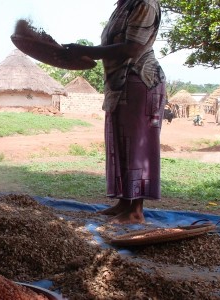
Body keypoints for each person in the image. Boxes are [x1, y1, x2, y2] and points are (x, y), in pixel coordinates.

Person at [59, 0, 164, 224]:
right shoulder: (124, 6)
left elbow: (133, 47)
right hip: (120, 82)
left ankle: (136, 211)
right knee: (121, 142)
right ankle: (125, 203)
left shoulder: (144, 3)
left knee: (137, 144)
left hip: (139, 80)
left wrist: (87, 51)